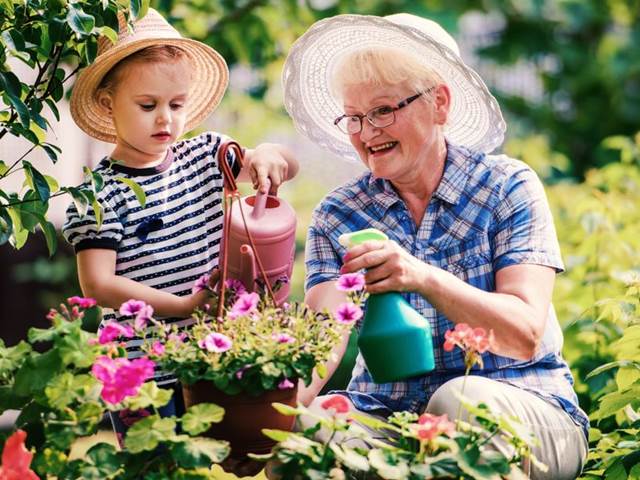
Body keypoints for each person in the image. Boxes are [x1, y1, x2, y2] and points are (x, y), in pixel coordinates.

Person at [281, 13, 588, 480]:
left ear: (439, 103)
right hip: (392, 419)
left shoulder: (506, 187)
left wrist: (421, 277)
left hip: (525, 408)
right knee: (309, 432)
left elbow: (525, 332)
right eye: (354, 117)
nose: (366, 133)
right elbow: (324, 342)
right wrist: (270, 423)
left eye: (383, 110)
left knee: (459, 403)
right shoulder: (340, 214)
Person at [62, 9, 298, 441]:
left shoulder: (206, 156)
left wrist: (267, 152)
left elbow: (287, 166)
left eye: (177, 105)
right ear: (107, 103)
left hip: (211, 353)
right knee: (154, 460)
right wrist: (184, 306)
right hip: (140, 367)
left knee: (216, 456)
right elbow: (98, 283)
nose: (165, 119)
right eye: (148, 106)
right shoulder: (98, 193)